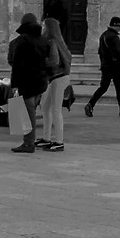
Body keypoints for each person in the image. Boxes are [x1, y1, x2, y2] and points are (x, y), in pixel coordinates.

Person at [7, 15, 51, 154]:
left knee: (29, 113)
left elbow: (17, 64)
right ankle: (29, 141)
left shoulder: (21, 41)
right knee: (31, 111)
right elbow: (47, 61)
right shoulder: (43, 40)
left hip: (27, 81)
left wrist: (14, 84)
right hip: (40, 81)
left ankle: (28, 143)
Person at [86, 16, 120, 117]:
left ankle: (90, 104)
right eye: (119, 26)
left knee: (103, 87)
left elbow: (100, 52)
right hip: (115, 67)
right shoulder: (114, 37)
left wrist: (103, 63)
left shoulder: (103, 35)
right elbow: (117, 51)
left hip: (106, 66)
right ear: (116, 25)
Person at [40, 15, 73, 150]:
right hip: (55, 78)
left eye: (43, 26)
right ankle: (46, 138)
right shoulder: (57, 41)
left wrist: (41, 62)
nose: (42, 28)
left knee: (55, 109)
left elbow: (54, 61)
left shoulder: (52, 42)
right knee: (45, 107)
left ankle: (59, 141)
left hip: (58, 78)